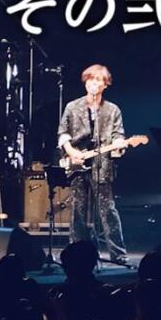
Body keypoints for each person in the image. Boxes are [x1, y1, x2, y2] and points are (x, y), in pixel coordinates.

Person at [56, 64, 129, 266]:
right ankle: (76, 252)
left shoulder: (112, 110)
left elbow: (118, 134)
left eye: (99, 80)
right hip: (77, 164)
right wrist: (72, 152)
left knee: (108, 210)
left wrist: (120, 144)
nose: (94, 84)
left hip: (102, 165)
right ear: (85, 82)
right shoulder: (72, 107)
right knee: (77, 211)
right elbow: (62, 133)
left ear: (105, 85)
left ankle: (118, 254)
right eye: (91, 79)